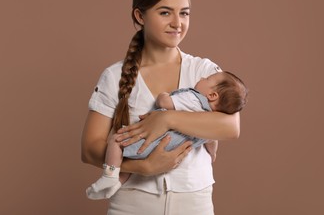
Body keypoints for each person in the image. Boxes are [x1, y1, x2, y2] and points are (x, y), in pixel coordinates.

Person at [81, 0, 241, 215]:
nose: (177, 23)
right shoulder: (114, 75)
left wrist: (166, 119)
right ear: (140, 16)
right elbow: (89, 148)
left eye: (184, 13)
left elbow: (231, 127)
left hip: (193, 202)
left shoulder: (204, 72)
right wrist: (142, 166)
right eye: (165, 12)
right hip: (131, 204)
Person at [86, 71, 248, 200]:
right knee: (132, 161)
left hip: (153, 140)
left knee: (116, 141)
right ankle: (117, 182)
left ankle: (110, 176)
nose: (203, 77)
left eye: (207, 78)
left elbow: (164, 103)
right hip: (171, 148)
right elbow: (213, 139)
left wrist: (163, 96)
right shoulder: (210, 123)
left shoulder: (193, 99)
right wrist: (213, 153)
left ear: (212, 95)